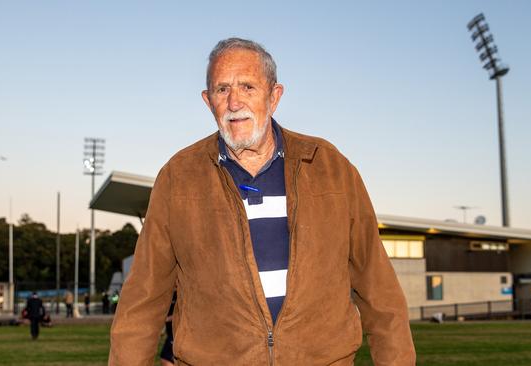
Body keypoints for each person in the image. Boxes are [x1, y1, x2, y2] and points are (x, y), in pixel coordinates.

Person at [110, 37, 416, 365]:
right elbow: (142, 301)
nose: (234, 102)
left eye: (248, 87)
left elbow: (378, 290)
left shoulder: (330, 167)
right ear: (207, 100)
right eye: (222, 89)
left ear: (274, 96)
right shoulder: (178, 176)